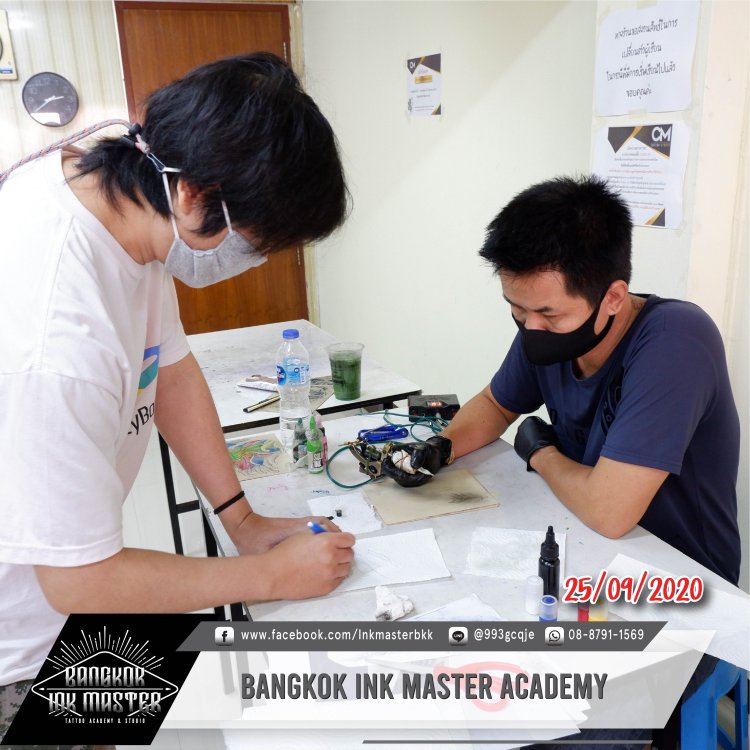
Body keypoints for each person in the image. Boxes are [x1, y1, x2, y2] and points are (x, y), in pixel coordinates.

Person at [0, 52, 355, 742]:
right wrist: (269, 578)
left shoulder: (121, 191)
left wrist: (241, 519)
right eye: (256, 242)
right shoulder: (55, 343)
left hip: (72, 589)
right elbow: (81, 583)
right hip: (24, 645)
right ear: (194, 194)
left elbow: (169, 368)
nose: (252, 260)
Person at [382, 174, 741, 749]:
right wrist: (440, 447)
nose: (532, 329)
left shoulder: (676, 341)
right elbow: (496, 404)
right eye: (516, 310)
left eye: (548, 314)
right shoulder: (547, 328)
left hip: (682, 588)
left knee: (556, 727)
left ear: (613, 298)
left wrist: (540, 450)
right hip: (585, 557)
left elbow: (609, 511)